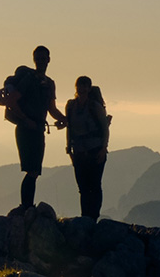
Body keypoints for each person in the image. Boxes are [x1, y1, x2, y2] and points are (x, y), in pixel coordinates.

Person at [3, 46, 66, 212]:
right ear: (34, 60)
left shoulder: (49, 83)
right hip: (26, 129)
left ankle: (27, 206)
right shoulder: (28, 80)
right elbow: (11, 101)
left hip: (37, 128)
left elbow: (51, 109)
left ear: (48, 60)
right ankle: (26, 206)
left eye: (43, 58)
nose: (41, 62)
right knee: (32, 169)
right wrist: (26, 119)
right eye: (38, 59)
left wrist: (65, 120)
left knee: (34, 170)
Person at [65, 76, 110, 220]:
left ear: (89, 89)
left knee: (94, 185)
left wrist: (103, 149)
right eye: (80, 86)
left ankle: (93, 217)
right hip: (79, 152)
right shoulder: (71, 106)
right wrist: (69, 149)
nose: (82, 89)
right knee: (83, 188)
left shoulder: (94, 106)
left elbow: (105, 129)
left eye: (85, 86)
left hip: (95, 151)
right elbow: (69, 128)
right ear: (76, 88)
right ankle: (86, 217)